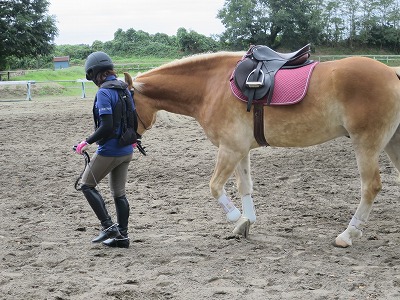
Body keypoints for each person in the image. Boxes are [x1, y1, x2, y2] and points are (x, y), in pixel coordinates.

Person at [74, 51, 134, 248]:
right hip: (127, 150)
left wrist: (87, 141)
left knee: (86, 185)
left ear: (94, 73)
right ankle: (122, 237)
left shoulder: (104, 92)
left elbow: (106, 126)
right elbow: (133, 117)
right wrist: (134, 139)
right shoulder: (124, 88)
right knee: (119, 193)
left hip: (110, 150)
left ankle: (108, 226)